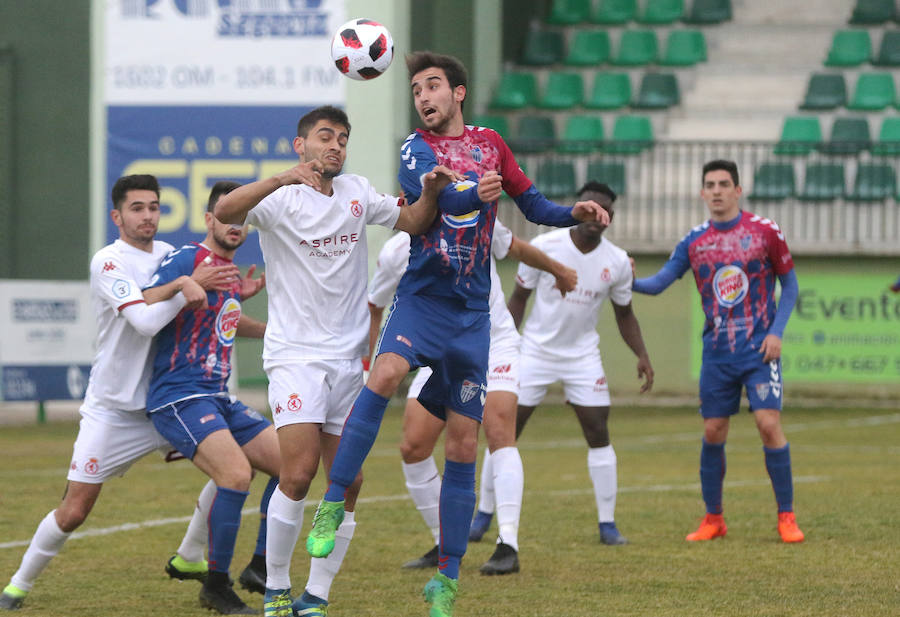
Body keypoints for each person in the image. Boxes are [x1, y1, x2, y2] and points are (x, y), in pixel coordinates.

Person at [305, 51, 609, 617]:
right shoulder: (414, 149)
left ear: (458, 93)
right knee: (387, 373)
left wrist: (578, 213)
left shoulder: (491, 143)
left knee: (465, 444)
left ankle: (446, 578)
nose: (423, 96)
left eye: (433, 85)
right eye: (417, 88)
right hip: (424, 299)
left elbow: (534, 206)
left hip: (473, 313)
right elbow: (444, 202)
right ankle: (331, 503)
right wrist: (474, 194)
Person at [213, 105, 455, 617]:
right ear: (301, 145)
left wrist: (431, 191)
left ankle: (315, 595)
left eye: (343, 138)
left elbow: (412, 220)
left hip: (348, 360)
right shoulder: (280, 199)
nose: (336, 146)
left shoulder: (357, 191)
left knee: (350, 480)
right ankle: (276, 588)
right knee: (297, 475)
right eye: (326, 137)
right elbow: (226, 212)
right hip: (296, 358)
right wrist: (280, 177)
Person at [0, 174, 241, 611]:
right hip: (113, 411)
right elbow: (146, 321)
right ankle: (17, 585)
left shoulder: (173, 255)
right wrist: (185, 286)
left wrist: (219, 297)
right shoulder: (108, 262)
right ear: (117, 216)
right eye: (137, 208)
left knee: (236, 468)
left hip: (169, 402)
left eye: (153, 206)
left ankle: (190, 556)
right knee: (74, 511)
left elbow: (205, 313)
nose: (147, 215)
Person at [367, 219, 577, 576]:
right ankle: (444, 540)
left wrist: (558, 270)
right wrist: (368, 363)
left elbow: (517, 247)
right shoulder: (396, 251)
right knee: (413, 446)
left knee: (497, 430)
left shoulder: (475, 219)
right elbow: (375, 305)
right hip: (439, 351)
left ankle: (507, 544)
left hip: (492, 344)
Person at [632, 159, 804, 543]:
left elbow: (790, 286)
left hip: (760, 351)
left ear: (738, 191)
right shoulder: (694, 241)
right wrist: (627, 280)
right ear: (702, 193)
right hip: (717, 353)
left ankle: (787, 517)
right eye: (710, 184)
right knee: (713, 430)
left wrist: (777, 333)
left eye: (724, 184)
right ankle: (714, 519)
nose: (717, 190)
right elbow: (660, 283)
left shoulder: (764, 232)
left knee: (768, 424)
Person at [144, 180, 277, 614]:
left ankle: (258, 565)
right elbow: (141, 301)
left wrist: (277, 330)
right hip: (179, 396)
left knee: (291, 465)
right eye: (225, 215)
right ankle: (215, 584)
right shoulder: (187, 258)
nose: (234, 224)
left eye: (241, 218)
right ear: (208, 219)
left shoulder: (232, 275)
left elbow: (227, 326)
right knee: (237, 475)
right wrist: (186, 280)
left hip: (217, 396)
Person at [508, 181, 653, 546]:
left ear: (610, 218)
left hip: (582, 357)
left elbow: (625, 315)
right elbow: (519, 299)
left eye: (603, 211)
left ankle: (608, 524)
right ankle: (484, 515)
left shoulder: (617, 262)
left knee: (598, 432)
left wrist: (642, 355)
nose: (595, 216)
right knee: (505, 434)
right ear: (579, 208)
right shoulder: (544, 246)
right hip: (535, 352)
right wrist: (504, 347)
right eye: (589, 208)